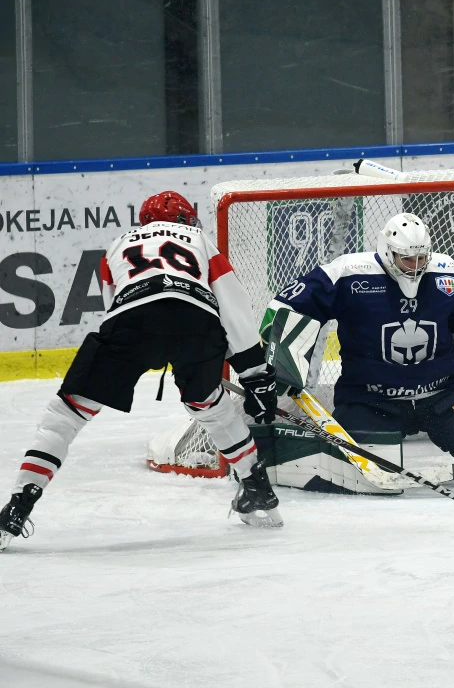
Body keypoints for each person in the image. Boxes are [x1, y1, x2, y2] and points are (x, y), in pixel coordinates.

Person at [0, 191, 282, 550]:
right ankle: (257, 488)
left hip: (131, 319)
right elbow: (233, 304)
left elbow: (116, 307)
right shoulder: (198, 238)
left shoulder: (116, 245)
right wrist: (254, 371)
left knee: (66, 414)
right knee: (209, 403)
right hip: (196, 321)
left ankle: (18, 504)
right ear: (184, 221)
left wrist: (152, 344)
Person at [261, 211, 454, 487]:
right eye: (407, 259)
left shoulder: (446, 276)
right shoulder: (347, 274)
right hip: (370, 399)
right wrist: (280, 355)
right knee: (351, 472)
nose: (415, 266)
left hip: (446, 396)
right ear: (388, 252)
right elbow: (286, 306)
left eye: (420, 258)